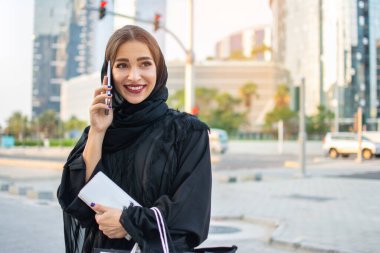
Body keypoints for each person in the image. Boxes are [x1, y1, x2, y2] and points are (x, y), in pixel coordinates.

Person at [57, 25, 212, 253]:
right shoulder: (98, 131)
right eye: (122, 65)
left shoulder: (187, 133)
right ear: (108, 75)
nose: (134, 76)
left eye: (145, 64)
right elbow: (78, 203)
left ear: (158, 69)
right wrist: (98, 132)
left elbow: (190, 215)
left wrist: (128, 222)